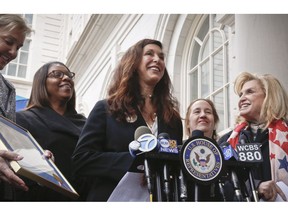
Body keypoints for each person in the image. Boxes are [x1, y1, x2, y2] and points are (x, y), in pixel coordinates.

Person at [72, 38, 183, 201]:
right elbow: (81, 159)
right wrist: (137, 162)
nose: (157, 59)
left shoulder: (172, 118)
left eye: (161, 56)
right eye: (149, 54)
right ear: (134, 63)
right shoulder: (106, 109)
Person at [14, 61, 87, 201]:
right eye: (57, 74)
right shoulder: (22, 119)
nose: (66, 78)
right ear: (41, 83)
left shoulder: (86, 123)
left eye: (69, 75)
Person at [218, 71, 288, 202]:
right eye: (241, 94)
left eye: (250, 92)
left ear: (269, 96)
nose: (242, 98)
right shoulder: (227, 141)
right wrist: (255, 187)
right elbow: (221, 184)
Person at [0, 14, 31, 200]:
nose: (13, 53)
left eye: (18, 47)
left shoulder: (8, 88)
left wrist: (35, 159)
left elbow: (8, 141)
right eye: (8, 41)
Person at [184, 98, 224, 201]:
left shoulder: (224, 153)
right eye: (197, 112)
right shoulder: (179, 151)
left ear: (214, 123)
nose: (203, 115)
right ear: (188, 123)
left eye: (208, 112)